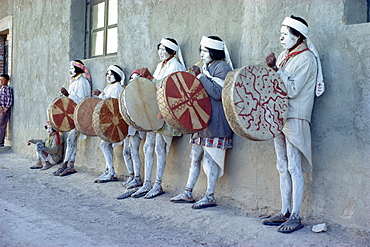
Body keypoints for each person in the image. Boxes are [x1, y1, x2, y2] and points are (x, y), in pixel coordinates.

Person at [262, 15, 324, 233]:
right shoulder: (285, 56)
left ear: (298, 37)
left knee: (293, 166)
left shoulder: (306, 59)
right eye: (281, 33)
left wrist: (276, 70)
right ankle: (284, 211)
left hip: (295, 117)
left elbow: (292, 90)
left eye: (286, 34)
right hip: (279, 116)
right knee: (281, 166)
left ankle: (296, 215)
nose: (281, 38)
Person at [170, 36, 233, 209]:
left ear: (214, 52)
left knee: (211, 159)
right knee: (195, 158)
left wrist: (200, 76)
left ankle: (210, 195)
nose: (202, 54)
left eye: (205, 51)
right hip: (201, 121)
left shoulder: (222, 67)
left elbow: (217, 92)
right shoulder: (206, 67)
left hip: (215, 122)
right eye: (201, 51)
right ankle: (188, 192)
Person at [131, 38, 185, 199]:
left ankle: (157, 184)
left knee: (159, 148)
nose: (161, 52)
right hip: (156, 112)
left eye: (164, 49)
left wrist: (150, 79)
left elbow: (168, 88)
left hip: (166, 112)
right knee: (148, 147)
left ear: (173, 51)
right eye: (159, 49)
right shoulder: (161, 65)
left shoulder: (175, 66)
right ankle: (147, 182)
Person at [53, 60, 91, 176]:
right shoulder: (73, 82)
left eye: (72, 68)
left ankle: (65, 164)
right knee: (72, 140)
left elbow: (83, 101)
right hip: (71, 115)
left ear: (78, 69)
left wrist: (68, 95)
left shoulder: (83, 82)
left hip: (79, 115)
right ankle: (70, 165)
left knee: (70, 140)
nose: (70, 71)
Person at [117, 69, 146, 199]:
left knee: (135, 151)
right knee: (126, 152)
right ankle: (131, 175)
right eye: (132, 78)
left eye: (137, 78)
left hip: (137, 126)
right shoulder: (127, 93)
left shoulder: (143, 94)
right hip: (128, 127)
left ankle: (138, 177)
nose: (133, 80)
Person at [93, 65, 125, 183]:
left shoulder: (117, 87)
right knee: (105, 144)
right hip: (108, 122)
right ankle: (109, 170)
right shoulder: (109, 87)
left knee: (104, 144)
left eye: (111, 74)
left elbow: (113, 104)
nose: (109, 76)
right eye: (107, 74)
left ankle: (111, 172)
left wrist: (101, 95)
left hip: (115, 122)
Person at [0, 74, 13, 147]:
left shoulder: (7, 89)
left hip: (4, 109)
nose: (1, 81)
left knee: (2, 126)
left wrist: (6, 108)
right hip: (0, 108)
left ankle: (1, 142)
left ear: (7, 81)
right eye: (0, 80)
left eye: (3, 80)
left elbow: (9, 98)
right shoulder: (1, 88)